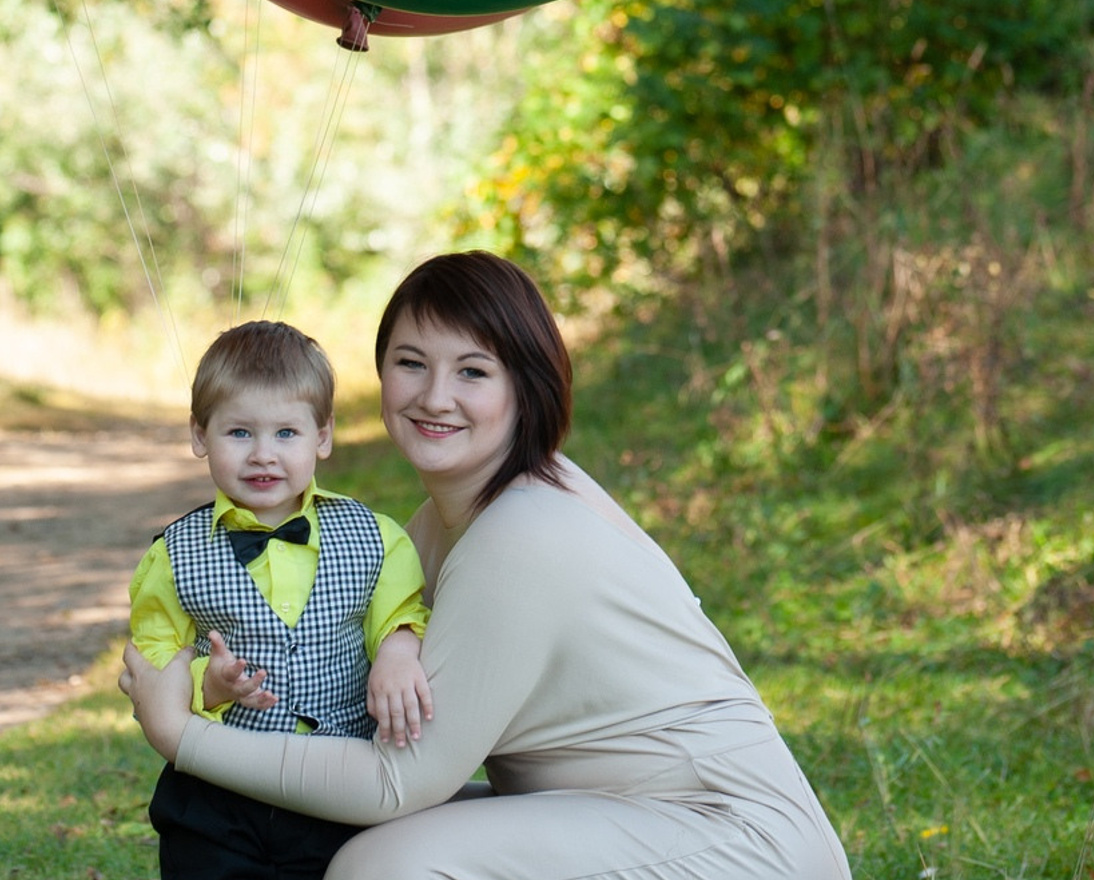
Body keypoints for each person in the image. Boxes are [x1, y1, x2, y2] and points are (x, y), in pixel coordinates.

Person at [121, 255, 853, 880]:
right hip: (605, 814)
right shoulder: (433, 528)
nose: (434, 397)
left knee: (385, 868)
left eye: (473, 371)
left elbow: (397, 780)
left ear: (524, 386)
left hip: (735, 840)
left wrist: (183, 736)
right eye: (411, 364)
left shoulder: (524, 530)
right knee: (342, 836)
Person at [130, 319, 435, 880]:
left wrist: (395, 653)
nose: (263, 455)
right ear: (200, 435)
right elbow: (152, 661)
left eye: (286, 434)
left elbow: (402, 613)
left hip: (336, 783)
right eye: (239, 433)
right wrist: (207, 683)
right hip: (218, 791)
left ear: (322, 436)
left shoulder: (375, 538)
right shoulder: (173, 555)